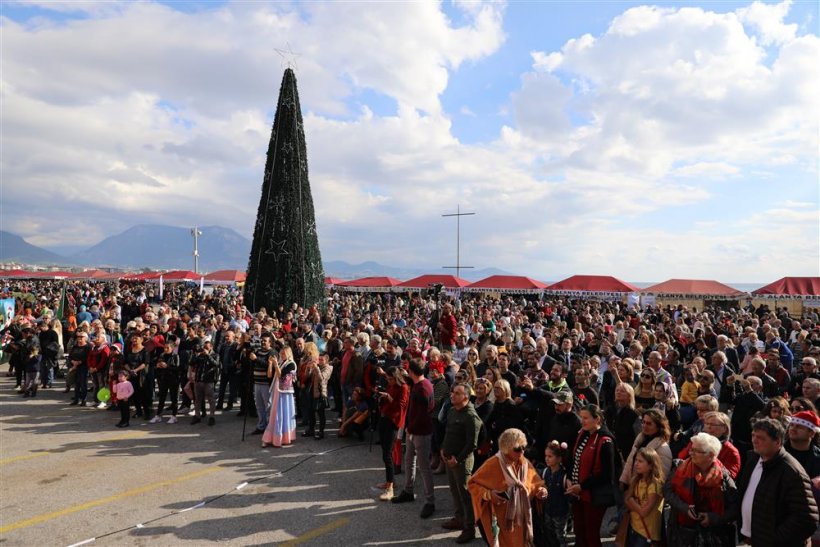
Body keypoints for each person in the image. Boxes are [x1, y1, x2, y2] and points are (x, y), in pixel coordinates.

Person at [738, 418, 819, 546]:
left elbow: (806, 519)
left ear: (777, 442)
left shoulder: (791, 471)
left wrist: (772, 540)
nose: (754, 440)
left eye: (761, 438)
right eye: (753, 435)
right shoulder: (754, 459)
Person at [468, 428, 547, 547]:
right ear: (506, 448)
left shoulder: (524, 462)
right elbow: (472, 484)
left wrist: (542, 491)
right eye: (517, 449)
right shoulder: (492, 464)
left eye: (523, 448)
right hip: (502, 523)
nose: (522, 452)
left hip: (523, 521)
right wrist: (489, 495)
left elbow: (536, 483)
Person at [664, 432, 739, 547]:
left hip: (712, 536)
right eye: (691, 449)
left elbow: (735, 508)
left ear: (711, 455)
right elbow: (668, 492)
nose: (691, 453)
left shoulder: (723, 476)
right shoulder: (680, 468)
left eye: (696, 451)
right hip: (682, 532)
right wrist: (684, 508)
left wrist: (713, 518)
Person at [566, 404, 617, 547]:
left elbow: (607, 474)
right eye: (581, 417)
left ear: (597, 419)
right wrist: (570, 479)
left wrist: (582, 486)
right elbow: (573, 458)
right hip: (578, 494)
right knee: (579, 531)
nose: (582, 421)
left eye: (586, 418)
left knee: (591, 534)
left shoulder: (606, 441)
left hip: (594, 495)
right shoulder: (582, 434)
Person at [392, 358, 436, 518]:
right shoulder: (420, 384)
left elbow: (424, 414)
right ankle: (408, 490)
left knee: (424, 468)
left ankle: (430, 501)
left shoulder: (422, 389)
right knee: (409, 460)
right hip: (413, 431)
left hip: (421, 433)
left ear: (412, 371)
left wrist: (411, 429)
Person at [440, 382, 482, 544]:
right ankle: (459, 519)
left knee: (465, 494)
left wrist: (457, 459)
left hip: (461, 461)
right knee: (454, 490)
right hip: (449, 458)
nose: (452, 395)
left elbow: (472, 444)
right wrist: (443, 449)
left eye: (457, 393)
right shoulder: (452, 411)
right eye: (452, 392)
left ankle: (469, 528)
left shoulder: (471, 417)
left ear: (465, 396)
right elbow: (448, 432)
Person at [376, 366, 409, 502]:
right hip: (385, 417)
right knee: (385, 451)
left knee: (387, 454)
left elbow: (400, 406)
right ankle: (391, 481)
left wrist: (388, 397)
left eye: (390, 379)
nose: (389, 381)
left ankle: (390, 488)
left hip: (393, 422)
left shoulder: (404, 388)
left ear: (396, 378)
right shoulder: (391, 385)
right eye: (387, 379)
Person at [619, 409, 672, 489]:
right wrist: (624, 481)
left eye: (649, 423)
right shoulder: (640, 440)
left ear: (659, 426)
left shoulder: (663, 449)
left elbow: (660, 478)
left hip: (645, 493)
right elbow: (630, 462)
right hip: (631, 487)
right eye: (643, 422)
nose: (644, 425)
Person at [624, 447, 665, 547]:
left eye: (641, 461)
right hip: (634, 526)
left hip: (647, 532)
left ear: (651, 465)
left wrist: (632, 501)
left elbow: (644, 512)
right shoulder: (637, 480)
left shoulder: (654, 485)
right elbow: (626, 501)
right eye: (636, 460)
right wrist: (631, 502)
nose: (636, 464)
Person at [262, 345, 297, 448]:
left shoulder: (291, 364)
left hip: (285, 392)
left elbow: (281, 375)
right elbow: (270, 375)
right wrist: (270, 364)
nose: (281, 355)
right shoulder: (282, 363)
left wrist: (276, 364)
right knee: (275, 414)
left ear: (288, 353)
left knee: (282, 414)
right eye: (281, 353)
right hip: (278, 391)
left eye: (283, 353)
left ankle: (284, 437)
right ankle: (272, 437)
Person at [539, 440, 571, 547]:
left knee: (560, 536)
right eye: (546, 456)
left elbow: (568, 497)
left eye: (550, 456)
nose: (547, 458)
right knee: (550, 535)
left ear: (559, 458)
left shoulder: (564, 476)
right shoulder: (545, 472)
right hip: (548, 511)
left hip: (561, 513)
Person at [249, 334, 275, 435]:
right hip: (257, 382)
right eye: (262, 341)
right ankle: (261, 426)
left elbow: (269, 366)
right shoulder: (258, 351)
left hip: (266, 383)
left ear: (270, 342)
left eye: (265, 341)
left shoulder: (272, 352)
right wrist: (252, 359)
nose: (263, 342)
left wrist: (256, 359)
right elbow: (253, 364)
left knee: (268, 406)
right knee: (259, 406)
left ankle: (270, 426)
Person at [152, 336, 180, 424]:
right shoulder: (162, 355)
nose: (166, 349)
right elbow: (157, 365)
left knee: (174, 398)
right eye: (165, 347)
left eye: (168, 347)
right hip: (163, 379)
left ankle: (174, 416)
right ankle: (158, 415)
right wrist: (158, 366)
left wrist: (167, 366)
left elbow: (178, 368)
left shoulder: (176, 356)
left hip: (173, 379)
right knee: (162, 398)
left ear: (172, 348)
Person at [190, 341, 219, 426]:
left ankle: (212, 417)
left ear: (211, 347)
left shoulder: (215, 355)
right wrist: (196, 355)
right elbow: (191, 363)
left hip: (209, 381)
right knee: (197, 399)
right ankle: (197, 416)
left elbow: (216, 364)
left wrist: (208, 355)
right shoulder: (200, 354)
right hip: (199, 380)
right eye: (204, 347)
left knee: (211, 399)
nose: (205, 349)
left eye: (207, 347)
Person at [305, 352, 332, 439]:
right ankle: (311, 430)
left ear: (326, 361)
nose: (319, 361)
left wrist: (316, 368)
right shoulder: (318, 366)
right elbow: (307, 376)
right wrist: (308, 368)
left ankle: (321, 432)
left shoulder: (328, 368)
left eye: (322, 360)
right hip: (312, 391)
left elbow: (322, 379)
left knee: (321, 413)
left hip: (321, 393)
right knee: (310, 412)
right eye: (319, 359)